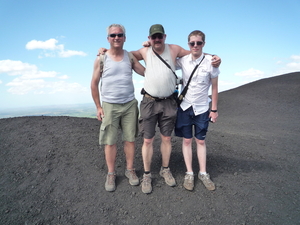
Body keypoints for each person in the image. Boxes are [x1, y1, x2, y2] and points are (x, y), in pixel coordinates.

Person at [98, 24, 221, 194]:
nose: (157, 39)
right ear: (149, 38)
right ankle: (147, 175)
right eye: (153, 37)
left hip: (169, 102)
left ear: (165, 36)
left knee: (166, 138)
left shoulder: (175, 49)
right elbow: (121, 54)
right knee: (147, 140)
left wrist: (214, 57)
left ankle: (165, 169)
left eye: (159, 36)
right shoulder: (143, 51)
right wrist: (105, 50)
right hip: (149, 101)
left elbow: (196, 55)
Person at [91, 24, 145, 192]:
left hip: (129, 104)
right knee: (110, 141)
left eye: (120, 35)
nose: (116, 37)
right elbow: (94, 84)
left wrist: (149, 49)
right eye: (113, 35)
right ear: (108, 39)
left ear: (124, 38)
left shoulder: (129, 57)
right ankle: (111, 173)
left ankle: (130, 170)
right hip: (109, 105)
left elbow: (145, 72)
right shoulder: (101, 58)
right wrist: (98, 107)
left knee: (130, 139)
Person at [175, 30, 220, 191]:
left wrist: (214, 109)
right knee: (187, 140)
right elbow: (166, 58)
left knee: (200, 140)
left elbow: (214, 88)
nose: (195, 46)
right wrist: (149, 45)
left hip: (202, 107)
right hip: (185, 106)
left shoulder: (211, 62)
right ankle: (189, 173)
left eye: (198, 43)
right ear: (188, 44)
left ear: (203, 44)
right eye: (192, 43)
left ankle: (203, 173)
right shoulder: (183, 61)